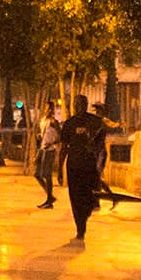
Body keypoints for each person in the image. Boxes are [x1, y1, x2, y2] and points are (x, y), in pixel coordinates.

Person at [59, 94, 110, 242]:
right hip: (73, 165)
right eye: (77, 103)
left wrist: (94, 147)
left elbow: (102, 142)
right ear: (74, 105)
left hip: (88, 165)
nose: (79, 106)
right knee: (74, 198)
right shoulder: (69, 124)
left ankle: (84, 218)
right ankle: (80, 227)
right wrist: (60, 168)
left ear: (86, 104)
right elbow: (64, 147)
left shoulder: (95, 122)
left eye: (82, 103)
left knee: (87, 197)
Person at [33, 111, 62, 209]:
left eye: (50, 108)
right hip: (42, 149)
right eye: (47, 108)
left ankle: (49, 200)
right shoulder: (43, 121)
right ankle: (50, 196)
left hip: (50, 150)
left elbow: (61, 136)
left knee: (47, 174)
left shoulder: (54, 122)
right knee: (37, 174)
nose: (48, 110)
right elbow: (43, 136)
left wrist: (52, 143)